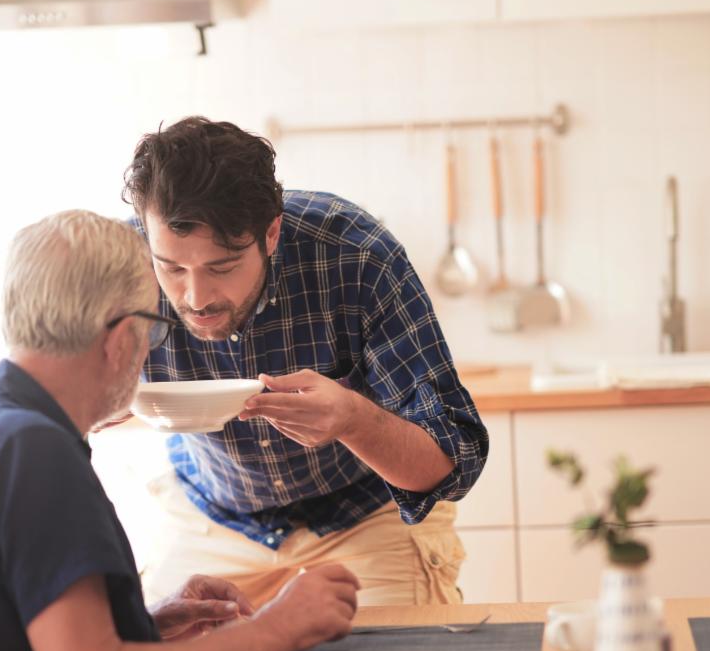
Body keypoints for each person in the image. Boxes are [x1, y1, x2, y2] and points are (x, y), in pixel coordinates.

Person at [0, 210, 360, 651]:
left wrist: (143, 625)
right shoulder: (33, 457)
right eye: (151, 329)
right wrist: (275, 631)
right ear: (118, 339)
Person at [122, 117, 489, 609]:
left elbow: (453, 461)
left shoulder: (357, 257)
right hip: (211, 513)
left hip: (364, 514)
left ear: (270, 234)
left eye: (222, 267)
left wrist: (355, 419)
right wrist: (92, 402)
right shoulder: (120, 264)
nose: (195, 296)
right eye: (171, 267)